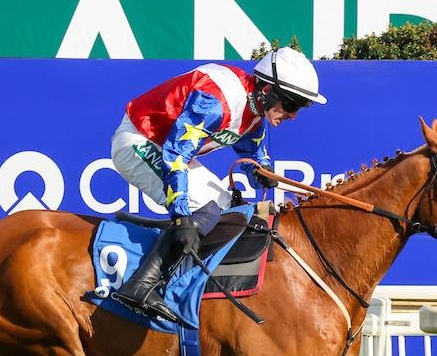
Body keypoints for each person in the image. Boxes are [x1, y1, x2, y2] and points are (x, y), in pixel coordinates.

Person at [109, 47, 327, 322]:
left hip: (167, 148)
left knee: (231, 211)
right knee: (207, 209)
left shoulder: (255, 112)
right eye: (293, 104)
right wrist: (181, 216)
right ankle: (142, 283)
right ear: (268, 91)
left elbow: (253, 153)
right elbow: (175, 155)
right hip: (139, 141)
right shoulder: (216, 101)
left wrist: (262, 170)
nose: (294, 115)